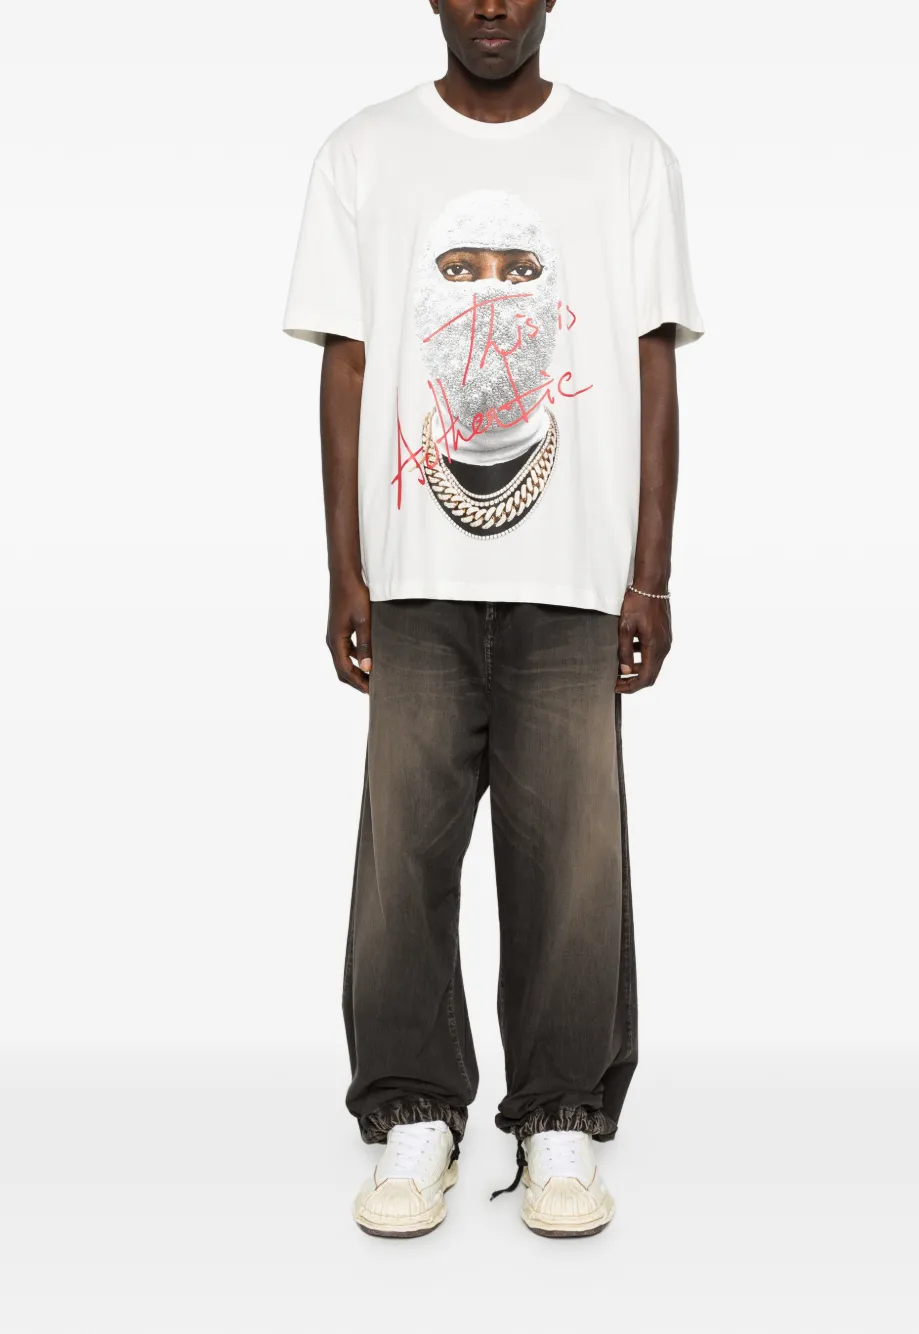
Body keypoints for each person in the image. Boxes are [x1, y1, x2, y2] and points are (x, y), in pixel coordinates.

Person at [282, 0, 704, 1240]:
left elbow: (653, 365)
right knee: (402, 856)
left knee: (574, 859)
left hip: (575, 576)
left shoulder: (626, 155)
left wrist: (649, 576)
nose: (491, 6)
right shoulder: (362, 153)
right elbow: (347, 364)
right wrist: (345, 568)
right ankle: (416, 1109)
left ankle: (559, 1115)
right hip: (411, 574)